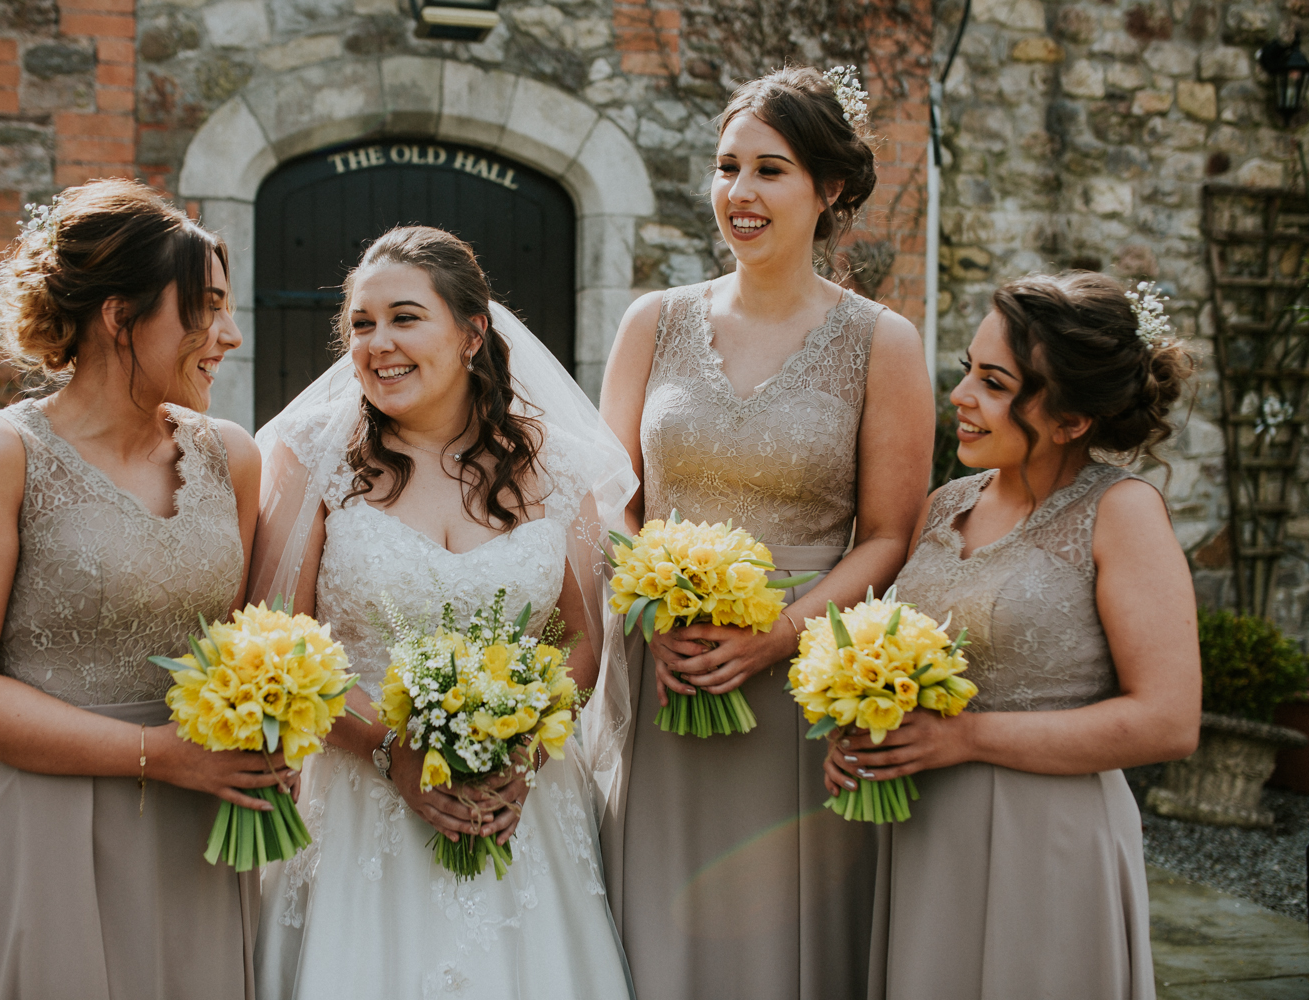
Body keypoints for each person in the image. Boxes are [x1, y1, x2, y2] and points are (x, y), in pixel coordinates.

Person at [596, 66, 934, 999]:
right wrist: (653, 602)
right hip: (665, 664)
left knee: (787, 936)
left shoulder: (884, 343)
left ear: (828, 191)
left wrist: (777, 638)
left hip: (801, 679)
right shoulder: (652, 322)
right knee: (653, 909)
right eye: (725, 167)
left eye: (769, 171)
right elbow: (606, 492)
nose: (739, 194)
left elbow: (890, 535)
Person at [0, 179, 271, 1000]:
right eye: (206, 310)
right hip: (52, 824)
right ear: (119, 317)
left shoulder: (233, 458)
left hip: (203, 829)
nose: (230, 335)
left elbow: (252, 640)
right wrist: (158, 757)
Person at [250, 226, 635, 999]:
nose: (377, 344)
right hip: (361, 803)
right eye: (361, 324)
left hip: (518, 807)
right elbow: (278, 641)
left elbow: (582, 638)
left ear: (472, 333)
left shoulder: (557, 466)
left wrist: (517, 747)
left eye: (404, 318)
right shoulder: (311, 454)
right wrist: (392, 749)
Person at [826, 272, 1200, 1000]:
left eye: (996, 384)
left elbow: (1169, 720)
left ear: (1071, 420)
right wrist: (855, 725)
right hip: (924, 835)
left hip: (1049, 840)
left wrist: (964, 739)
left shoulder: (1121, 513)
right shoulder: (945, 506)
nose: (961, 397)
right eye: (969, 370)